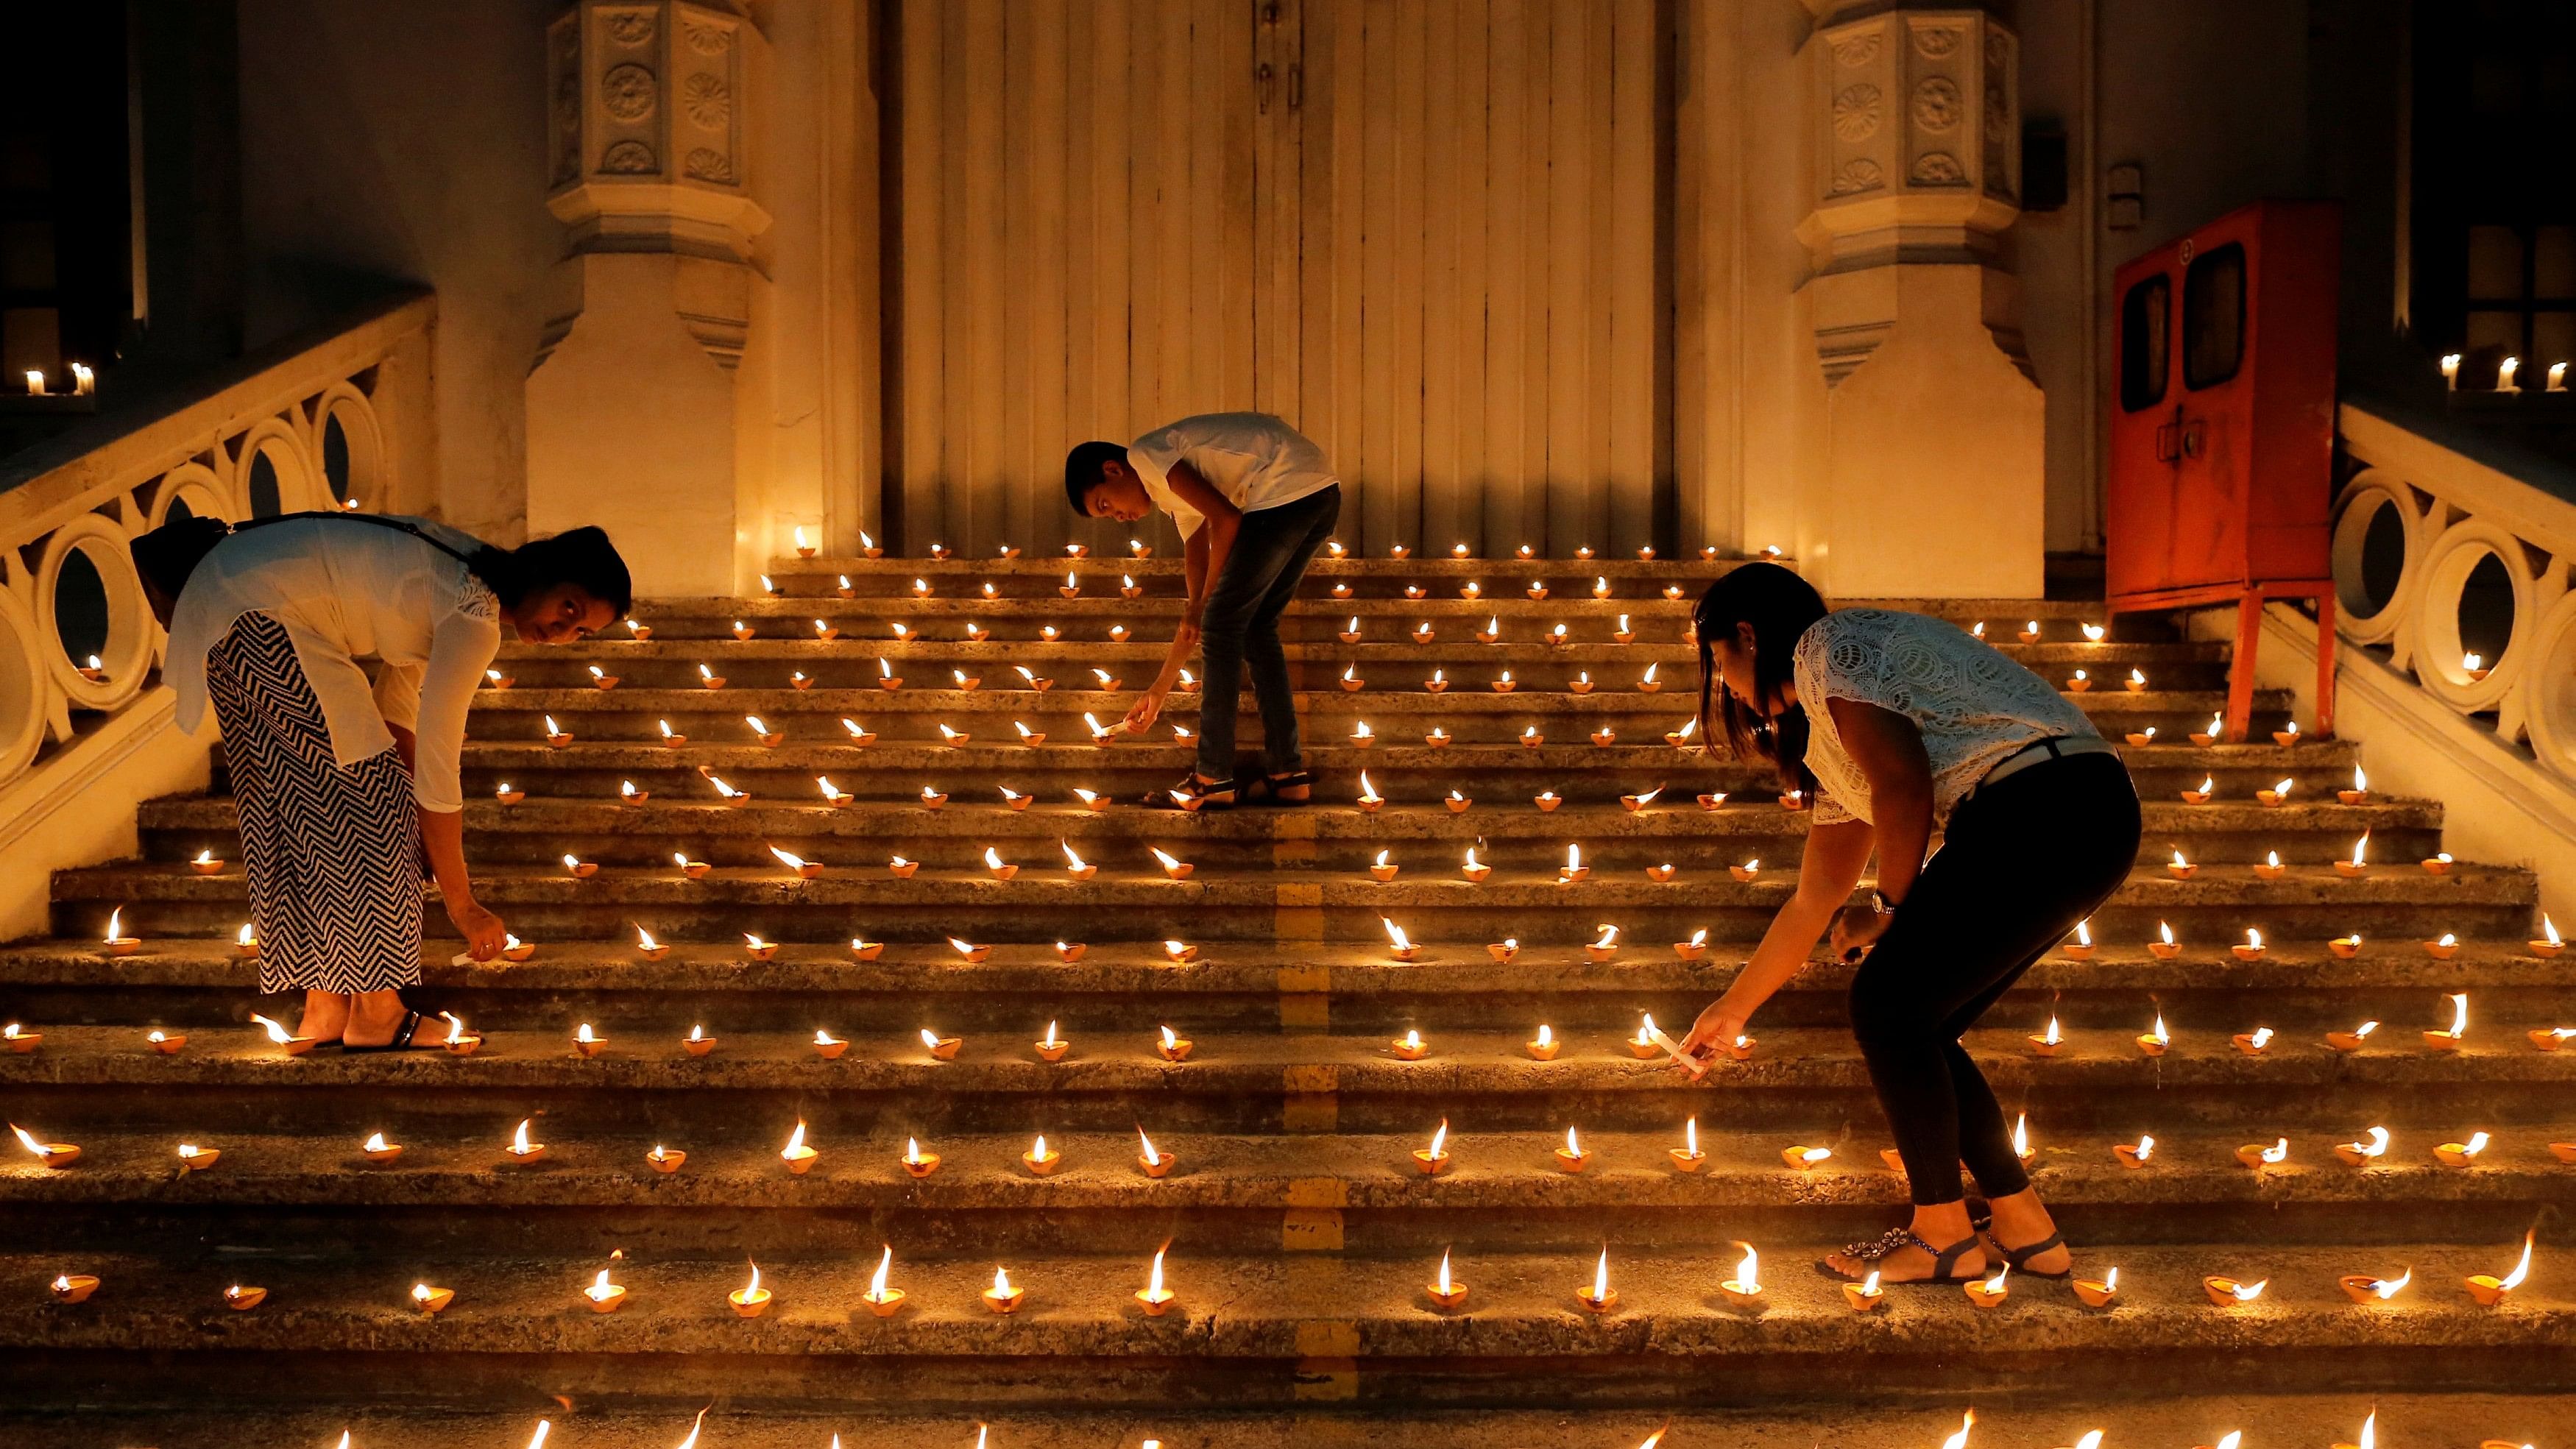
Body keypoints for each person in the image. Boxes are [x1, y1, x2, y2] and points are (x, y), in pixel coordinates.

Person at [1671, 563, 2141, 1284]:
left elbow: (1903, 784)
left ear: (1747, 633)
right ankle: (2023, 1226)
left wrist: (1891, 909)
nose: (1725, 682)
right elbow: (1815, 896)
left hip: (2039, 805)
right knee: (1917, 1018)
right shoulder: (1832, 739)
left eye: (1719, 660)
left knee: (1887, 1005)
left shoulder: (1829, 646)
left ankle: (1941, 1235)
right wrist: (1731, 1009)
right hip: (2081, 812)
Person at [158, 512, 629, 1049]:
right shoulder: (471, 616)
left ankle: (326, 1006)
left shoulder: (464, 574)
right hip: (259, 615)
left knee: (299, 802)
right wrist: (463, 904)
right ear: (545, 572)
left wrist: (413, 820)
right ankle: (378, 1010)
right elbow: (436, 763)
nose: (562, 632)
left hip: (228, 606)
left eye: (581, 631)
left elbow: (397, 711)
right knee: (369, 793)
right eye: (568, 609)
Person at [1064, 412, 1341, 809]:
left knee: (1224, 623)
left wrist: (1206, 610)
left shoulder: (1146, 455)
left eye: (1105, 503)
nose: (1117, 517)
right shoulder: (1172, 497)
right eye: (1105, 516)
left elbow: (1226, 519)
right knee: (1256, 626)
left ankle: (1212, 776)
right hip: (1319, 493)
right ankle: (1287, 775)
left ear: (1114, 469)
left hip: (1288, 491)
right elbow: (1195, 605)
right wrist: (1159, 691)